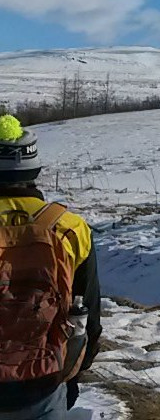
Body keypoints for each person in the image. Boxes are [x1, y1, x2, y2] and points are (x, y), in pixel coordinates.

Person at [0, 115, 101, 419]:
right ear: (35, 168)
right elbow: (89, 313)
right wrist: (74, 367)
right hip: (43, 377)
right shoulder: (69, 228)